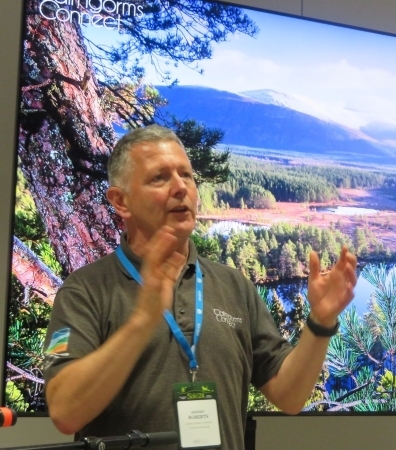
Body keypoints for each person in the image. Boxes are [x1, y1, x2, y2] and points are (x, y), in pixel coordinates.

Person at [42, 125, 357, 449]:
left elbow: (289, 396)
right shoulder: (85, 291)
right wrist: (140, 324)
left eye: (186, 175)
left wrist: (321, 321)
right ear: (121, 202)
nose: (180, 187)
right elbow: (66, 412)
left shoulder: (234, 286)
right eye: (159, 178)